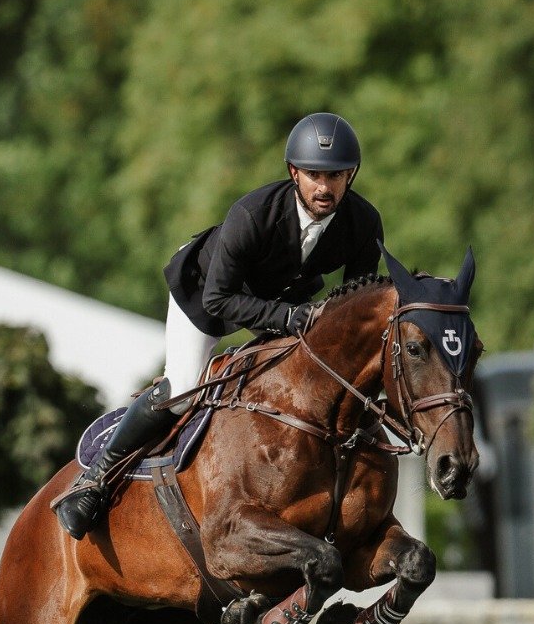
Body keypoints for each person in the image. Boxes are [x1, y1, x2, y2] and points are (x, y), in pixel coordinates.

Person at [54, 112, 385, 539]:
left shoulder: (362, 222)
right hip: (207, 292)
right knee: (180, 389)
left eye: (336, 176)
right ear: (293, 172)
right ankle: (95, 483)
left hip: (283, 297)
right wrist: (287, 317)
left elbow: (354, 309)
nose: (325, 188)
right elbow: (218, 298)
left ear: (351, 175)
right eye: (314, 175)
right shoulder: (252, 214)